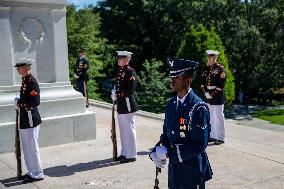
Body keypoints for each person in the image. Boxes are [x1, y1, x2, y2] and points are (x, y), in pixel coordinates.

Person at [149, 58, 213, 189]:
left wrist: (169, 154)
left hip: (192, 170)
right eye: (171, 76)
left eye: (177, 76)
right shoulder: (171, 105)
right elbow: (166, 135)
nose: (172, 80)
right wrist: (156, 150)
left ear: (188, 80)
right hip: (175, 170)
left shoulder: (198, 108)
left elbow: (199, 145)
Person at [14, 59, 44, 183]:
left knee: (32, 148)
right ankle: (32, 171)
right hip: (26, 118)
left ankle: (38, 173)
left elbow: (35, 102)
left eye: (19, 68)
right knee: (27, 148)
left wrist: (19, 103)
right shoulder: (25, 80)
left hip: (31, 119)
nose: (17, 70)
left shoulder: (32, 83)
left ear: (27, 68)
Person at [111, 51, 138, 163]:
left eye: (121, 58)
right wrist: (113, 93)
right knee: (122, 130)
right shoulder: (120, 71)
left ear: (127, 59)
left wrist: (117, 94)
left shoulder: (130, 72)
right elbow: (118, 86)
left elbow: (130, 90)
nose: (119, 60)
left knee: (129, 130)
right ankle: (125, 152)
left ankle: (131, 154)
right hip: (121, 104)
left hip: (127, 103)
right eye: (118, 58)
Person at [201, 50, 226, 145]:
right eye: (208, 57)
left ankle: (220, 137)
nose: (209, 59)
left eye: (211, 57)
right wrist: (205, 93)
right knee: (210, 117)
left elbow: (221, 85)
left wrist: (212, 94)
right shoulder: (206, 69)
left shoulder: (220, 69)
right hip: (208, 96)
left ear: (215, 58)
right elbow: (203, 83)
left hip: (218, 96)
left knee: (219, 117)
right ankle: (212, 136)